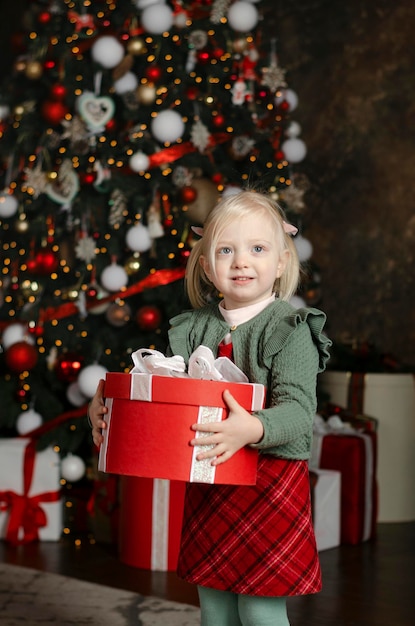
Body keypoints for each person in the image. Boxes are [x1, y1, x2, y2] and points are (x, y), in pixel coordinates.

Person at [88, 189, 331, 626]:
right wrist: (105, 400)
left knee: (257, 608)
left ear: (280, 262)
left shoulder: (291, 330)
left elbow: (297, 412)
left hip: (267, 482)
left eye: (257, 249)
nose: (241, 261)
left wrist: (251, 429)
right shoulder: (193, 326)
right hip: (209, 478)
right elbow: (157, 385)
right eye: (226, 250)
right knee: (214, 604)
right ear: (206, 265)